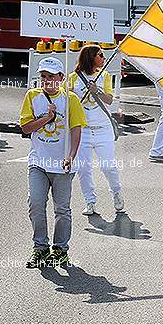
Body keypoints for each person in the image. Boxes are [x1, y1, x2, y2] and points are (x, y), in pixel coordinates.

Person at [20, 57, 87, 268]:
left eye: (51, 76)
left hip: (62, 165)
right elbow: (25, 128)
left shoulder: (71, 100)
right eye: (43, 77)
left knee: (62, 209)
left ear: (61, 78)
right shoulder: (32, 96)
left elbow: (77, 129)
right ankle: (40, 248)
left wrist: (71, 156)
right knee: (36, 204)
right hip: (38, 162)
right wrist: (46, 118)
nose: (47, 81)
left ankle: (60, 249)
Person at [68, 45, 124, 216]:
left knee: (108, 166)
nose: (103, 57)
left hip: (103, 129)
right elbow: (68, 100)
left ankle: (116, 191)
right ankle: (90, 201)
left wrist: (96, 91)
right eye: (100, 55)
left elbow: (109, 100)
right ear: (90, 57)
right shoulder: (73, 78)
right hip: (82, 130)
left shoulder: (104, 75)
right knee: (83, 168)